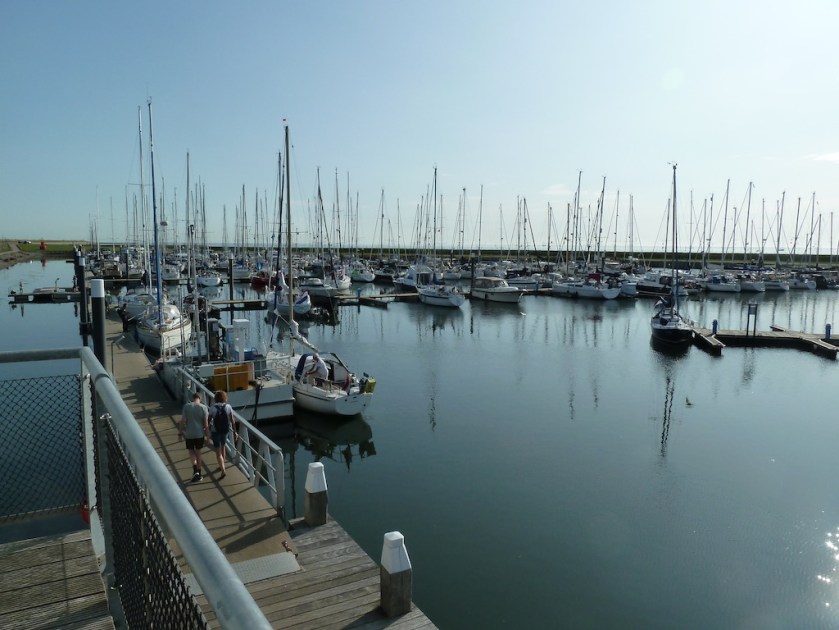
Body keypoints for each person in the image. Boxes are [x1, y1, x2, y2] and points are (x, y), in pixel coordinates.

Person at [179, 392, 209, 482]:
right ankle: (199, 473)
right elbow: (206, 425)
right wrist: (208, 437)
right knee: (199, 452)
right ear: (200, 399)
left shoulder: (187, 406)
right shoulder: (203, 407)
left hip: (189, 434)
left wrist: (180, 433)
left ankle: (195, 469)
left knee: (191, 451)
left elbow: (182, 421)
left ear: (193, 398)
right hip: (199, 434)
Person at [209, 390, 236, 479]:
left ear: (216, 398)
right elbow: (232, 420)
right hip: (225, 430)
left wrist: (207, 430)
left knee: (218, 452)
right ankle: (222, 465)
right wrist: (235, 432)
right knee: (223, 446)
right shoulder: (228, 407)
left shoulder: (212, 408)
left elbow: (208, 420)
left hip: (215, 431)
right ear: (225, 398)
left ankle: (223, 469)